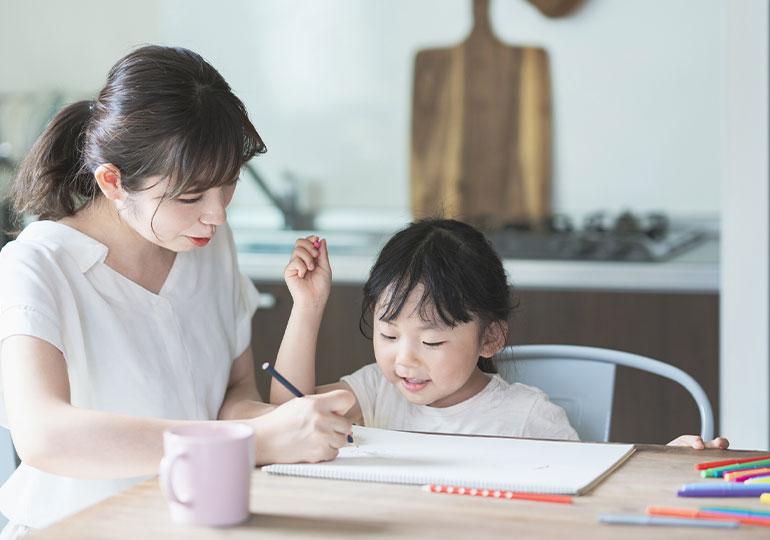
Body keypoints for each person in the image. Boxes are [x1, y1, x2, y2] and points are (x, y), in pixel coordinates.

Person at [0, 45, 354, 538]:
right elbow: (45, 435)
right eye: (190, 196)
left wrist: (288, 423)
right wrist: (251, 439)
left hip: (196, 522)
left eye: (228, 185)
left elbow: (234, 394)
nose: (217, 214)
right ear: (113, 182)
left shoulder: (207, 243)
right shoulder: (38, 263)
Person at [271, 218, 729, 449]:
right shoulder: (374, 392)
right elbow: (284, 417)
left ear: (489, 338)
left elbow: (588, 495)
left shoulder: (527, 418)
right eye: (388, 335)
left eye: (431, 342)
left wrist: (660, 465)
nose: (404, 360)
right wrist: (308, 307)